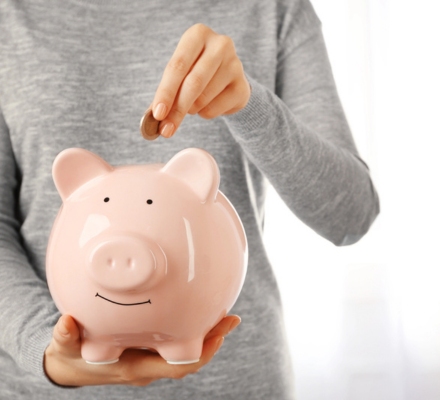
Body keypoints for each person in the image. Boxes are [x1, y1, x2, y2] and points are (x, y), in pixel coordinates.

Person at [0, 0, 379, 398]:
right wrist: (45, 345)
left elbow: (350, 216)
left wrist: (248, 106)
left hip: (236, 384)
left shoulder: (270, 8)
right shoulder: (9, 15)